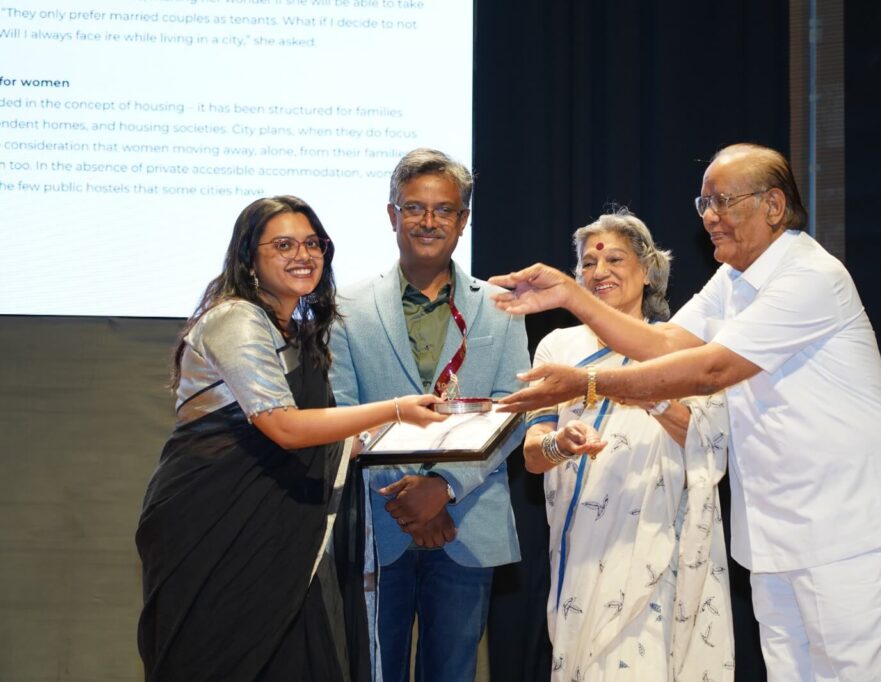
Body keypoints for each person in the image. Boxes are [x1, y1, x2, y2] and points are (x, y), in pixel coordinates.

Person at [490, 143, 881, 681]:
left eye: (722, 201)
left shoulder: (810, 275)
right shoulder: (734, 280)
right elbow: (664, 343)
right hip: (774, 531)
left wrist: (591, 383)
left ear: (772, 205)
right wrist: (569, 295)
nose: (709, 217)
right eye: (704, 203)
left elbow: (711, 370)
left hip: (847, 524)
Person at [135, 195, 445, 681]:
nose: (303, 255)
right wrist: (395, 409)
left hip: (281, 536)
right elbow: (282, 427)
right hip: (214, 524)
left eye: (313, 244)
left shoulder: (299, 332)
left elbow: (320, 435)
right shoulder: (236, 319)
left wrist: (383, 439)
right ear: (249, 258)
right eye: (283, 245)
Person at [328, 148, 530, 682]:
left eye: (444, 210)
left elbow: (514, 414)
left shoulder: (502, 307)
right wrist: (410, 498)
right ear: (392, 214)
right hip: (380, 518)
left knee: (453, 672)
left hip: (469, 517)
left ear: (463, 221)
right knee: (374, 670)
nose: (428, 221)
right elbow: (342, 414)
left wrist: (443, 488)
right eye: (414, 208)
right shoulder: (346, 307)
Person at [523, 209, 734, 680]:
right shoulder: (556, 347)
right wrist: (561, 443)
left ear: (648, 271)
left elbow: (708, 441)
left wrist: (648, 395)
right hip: (582, 548)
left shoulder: (682, 349)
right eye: (588, 264)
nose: (600, 272)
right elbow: (533, 456)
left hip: (658, 538)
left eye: (615, 260)